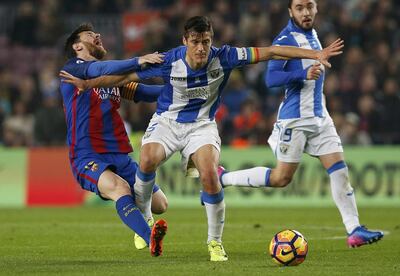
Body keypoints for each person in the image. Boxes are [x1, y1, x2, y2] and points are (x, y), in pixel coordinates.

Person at [60, 16, 344, 261]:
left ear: (211, 41)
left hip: (201, 125)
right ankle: (145, 223)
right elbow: (122, 76)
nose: (200, 47)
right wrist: (88, 84)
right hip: (165, 124)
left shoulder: (227, 56)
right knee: (147, 159)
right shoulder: (167, 60)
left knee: (208, 174)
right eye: (195, 41)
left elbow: (270, 52)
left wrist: (314, 55)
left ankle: (215, 242)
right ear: (185, 41)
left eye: (205, 41)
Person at [217, 0, 384, 248]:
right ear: (290, 11)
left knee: (340, 170)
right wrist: (302, 74)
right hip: (295, 120)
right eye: (299, 8)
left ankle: (354, 230)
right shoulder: (285, 40)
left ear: (316, 8)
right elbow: (271, 78)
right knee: (281, 178)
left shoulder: (314, 34)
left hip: (320, 118)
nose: (306, 12)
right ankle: (223, 178)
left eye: (310, 6)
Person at [59, 23, 168, 256]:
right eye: (90, 34)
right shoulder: (74, 70)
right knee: (120, 189)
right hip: (87, 155)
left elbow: (147, 93)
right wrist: (139, 60)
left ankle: (137, 222)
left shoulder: (113, 81)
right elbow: (101, 69)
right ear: (77, 46)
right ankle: (149, 237)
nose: (97, 35)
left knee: (160, 204)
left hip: (119, 155)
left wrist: (185, 89)